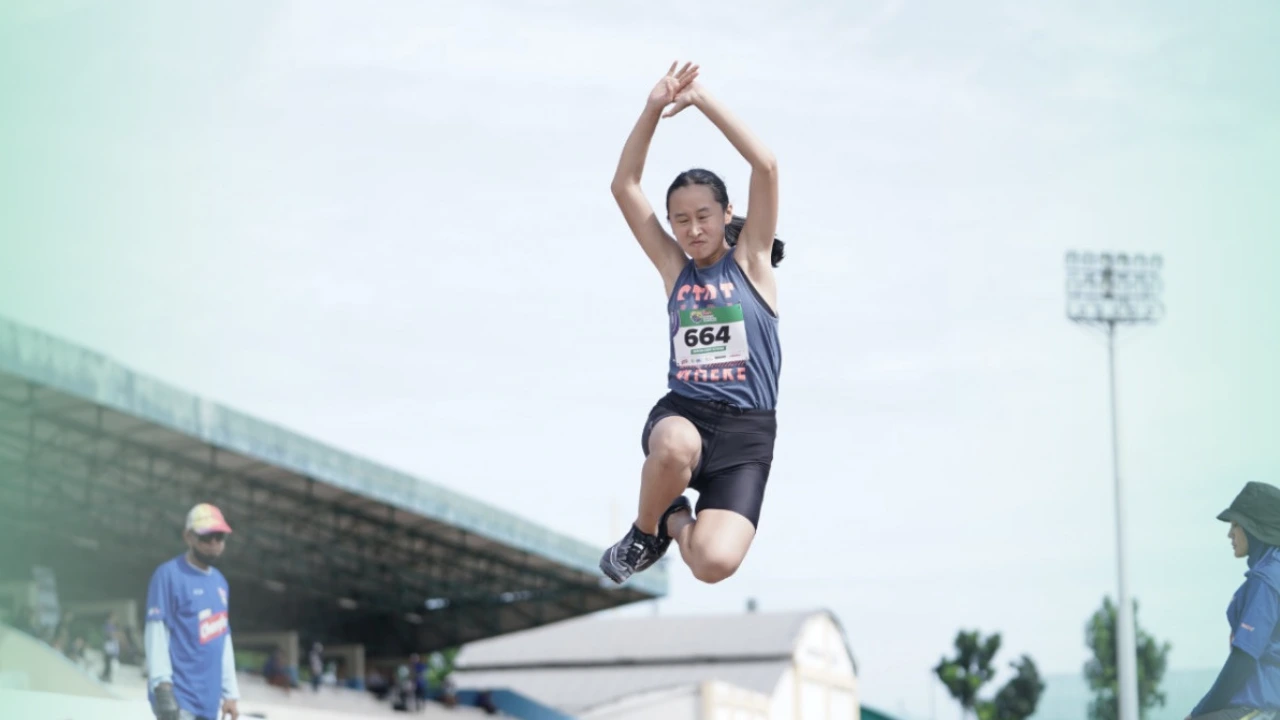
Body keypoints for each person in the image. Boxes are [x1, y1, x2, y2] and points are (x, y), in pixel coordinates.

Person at [599, 61, 784, 586]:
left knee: (712, 563)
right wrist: (653, 108)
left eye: (703, 215)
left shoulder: (751, 263)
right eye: (681, 220)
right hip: (684, 416)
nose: (692, 229)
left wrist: (702, 101)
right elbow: (624, 184)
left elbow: (765, 165)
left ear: (727, 214)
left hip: (747, 436)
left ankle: (673, 516)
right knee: (676, 445)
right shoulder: (674, 270)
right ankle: (644, 530)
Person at [1189, 481, 1280, 720]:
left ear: (1255, 528)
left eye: (1236, 525)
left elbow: (1243, 660)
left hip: (1260, 708)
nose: (1230, 533)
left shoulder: (1266, 580)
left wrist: (1199, 713)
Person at [144, 503, 241, 720]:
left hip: (209, 703)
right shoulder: (168, 575)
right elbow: (156, 630)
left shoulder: (220, 583)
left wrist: (231, 694)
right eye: (207, 537)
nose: (214, 543)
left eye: (219, 537)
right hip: (179, 699)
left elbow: (223, 640)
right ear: (188, 537)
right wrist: (162, 686)